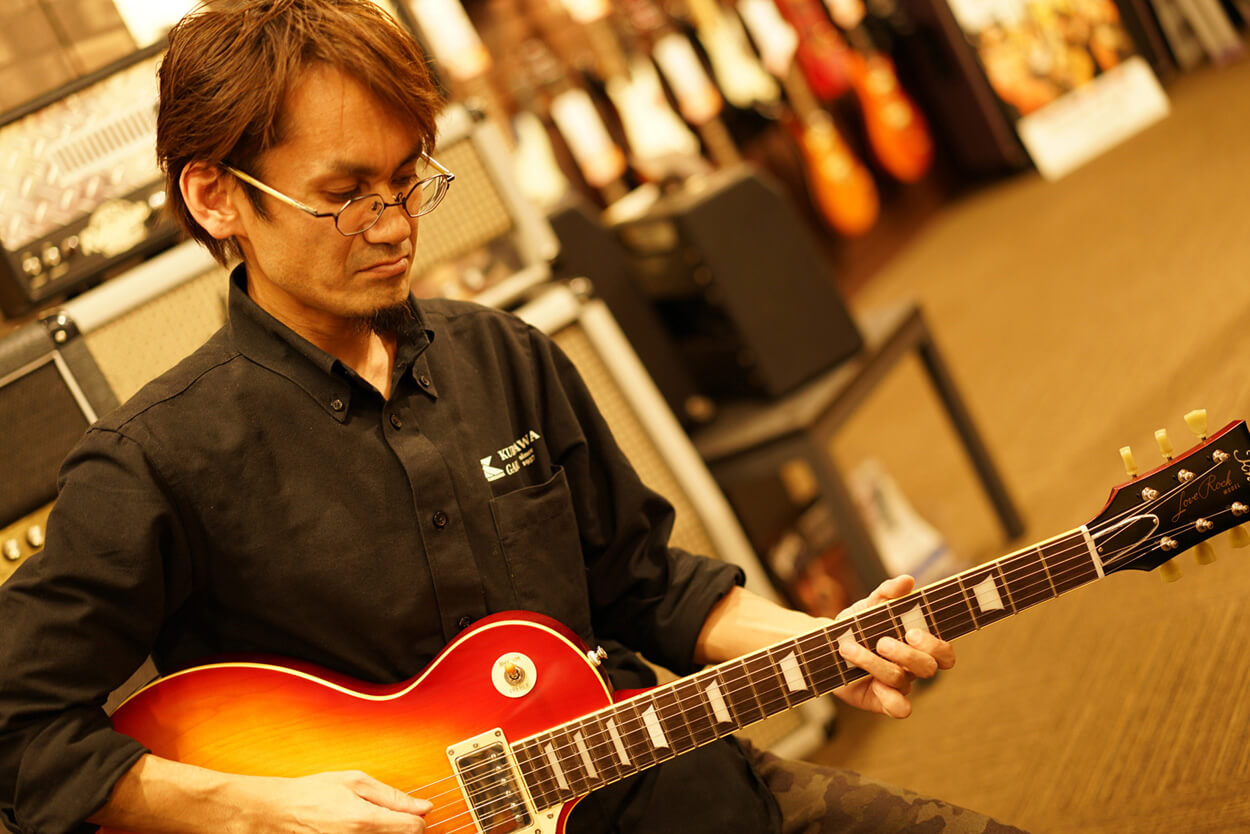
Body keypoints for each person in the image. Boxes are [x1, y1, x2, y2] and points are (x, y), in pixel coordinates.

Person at [0, 2, 1026, 832]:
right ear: (217, 197)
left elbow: (642, 583)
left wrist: (820, 641)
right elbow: (17, 728)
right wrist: (252, 808)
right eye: (346, 195)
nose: (394, 227)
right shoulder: (153, 461)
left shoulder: (502, 353)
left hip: (660, 791)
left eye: (408, 181)